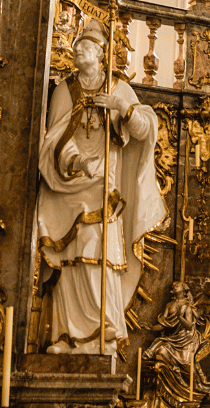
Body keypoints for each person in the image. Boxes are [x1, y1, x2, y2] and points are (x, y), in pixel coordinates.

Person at [37, 19, 165, 354]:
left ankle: (104, 328)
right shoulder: (65, 90)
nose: (79, 51)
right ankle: (67, 336)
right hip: (67, 182)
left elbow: (144, 130)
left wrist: (123, 108)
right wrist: (75, 161)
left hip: (104, 183)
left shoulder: (118, 87)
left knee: (98, 247)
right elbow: (53, 138)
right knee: (69, 256)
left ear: (100, 53)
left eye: (85, 47)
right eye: (77, 46)